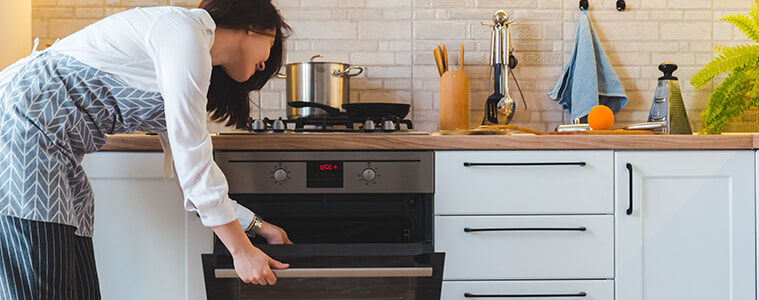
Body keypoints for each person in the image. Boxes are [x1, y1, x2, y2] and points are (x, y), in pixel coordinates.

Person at [0, 0, 293, 298]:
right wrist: (241, 252)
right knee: (42, 286)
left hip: (54, 147)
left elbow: (188, 171)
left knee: (77, 287)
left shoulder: (189, 51)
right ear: (255, 29)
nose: (266, 64)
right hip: (23, 129)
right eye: (273, 45)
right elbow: (195, 162)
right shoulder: (184, 34)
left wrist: (255, 226)